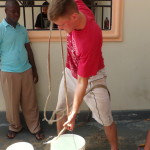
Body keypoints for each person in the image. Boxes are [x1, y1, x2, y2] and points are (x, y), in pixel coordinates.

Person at [48, 0, 118, 149]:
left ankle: (114, 147)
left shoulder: (89, 39)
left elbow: (82, 82)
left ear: (74, 17)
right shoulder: (76, 7)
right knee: (60, 111)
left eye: (61, 25)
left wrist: (74, 114)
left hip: (92, 78)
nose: (59, 29)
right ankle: (63, 145)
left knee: (106, 119)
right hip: (71, 71)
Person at [0, 0, 44, 140]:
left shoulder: (22, 29)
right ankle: (14, 127)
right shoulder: (1, 29)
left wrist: (34, 70)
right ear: (6, 11)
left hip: (26, 70)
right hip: (8, 72)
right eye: (13, 11)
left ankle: (35, 128)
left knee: (30, 102)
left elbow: (28, 49)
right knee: (12, 104)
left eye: (18, 11)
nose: (16, 14)